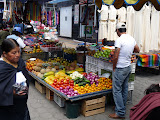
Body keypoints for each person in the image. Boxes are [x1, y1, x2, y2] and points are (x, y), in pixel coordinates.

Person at [109, 22, 140, 119]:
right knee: (124, 88)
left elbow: (116, 56)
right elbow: (137, 50)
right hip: (128, 67)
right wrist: (129, 51)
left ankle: (120, 112)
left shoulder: (119, 40)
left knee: (117, 90)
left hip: (120, 68)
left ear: (118, 31)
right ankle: (121, 106)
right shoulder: (131, 38)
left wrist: (114, 67)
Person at [0, 38, 31, 120]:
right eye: (13, 53)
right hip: (7, 110)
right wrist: (11, 92)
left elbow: (26, 77)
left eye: (18, 51)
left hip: (22, 106)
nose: (17, 55)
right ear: (5, 54)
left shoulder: (20, 62)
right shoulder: (2, 68)